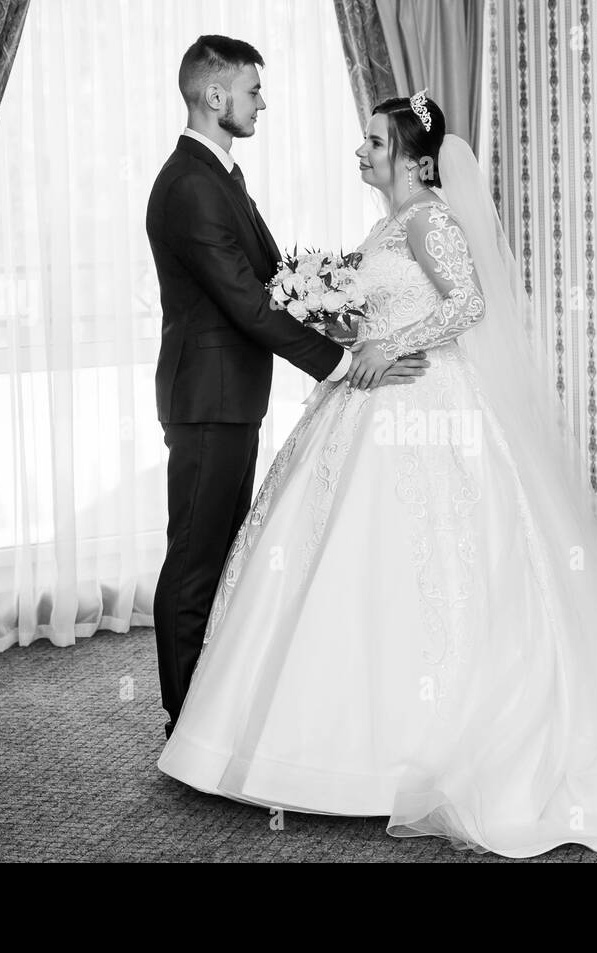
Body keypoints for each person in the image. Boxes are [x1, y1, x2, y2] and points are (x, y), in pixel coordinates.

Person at [158, 89, 597, 857]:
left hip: (428, 400)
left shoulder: (428, 217)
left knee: (440, 563)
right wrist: (350, 323)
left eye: (374, 143)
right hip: (373, 401)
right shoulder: (388, 223)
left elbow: (469, 303)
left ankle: (407, 748)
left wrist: (388, 343)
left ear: (412, 159)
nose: (361, 152)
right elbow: (393, 301)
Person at [145, 36, 429, 740]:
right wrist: (343, 365)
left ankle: (204, 702)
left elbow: (273, 280)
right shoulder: (189, 187)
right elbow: (247, 303)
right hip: (206, 402)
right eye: (251, 90)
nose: (261, 102)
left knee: (218, 552)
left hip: (228, 397)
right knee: (194, 559)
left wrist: (335, 305)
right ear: (216, 97)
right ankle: (185, 716)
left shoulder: (219, 176)